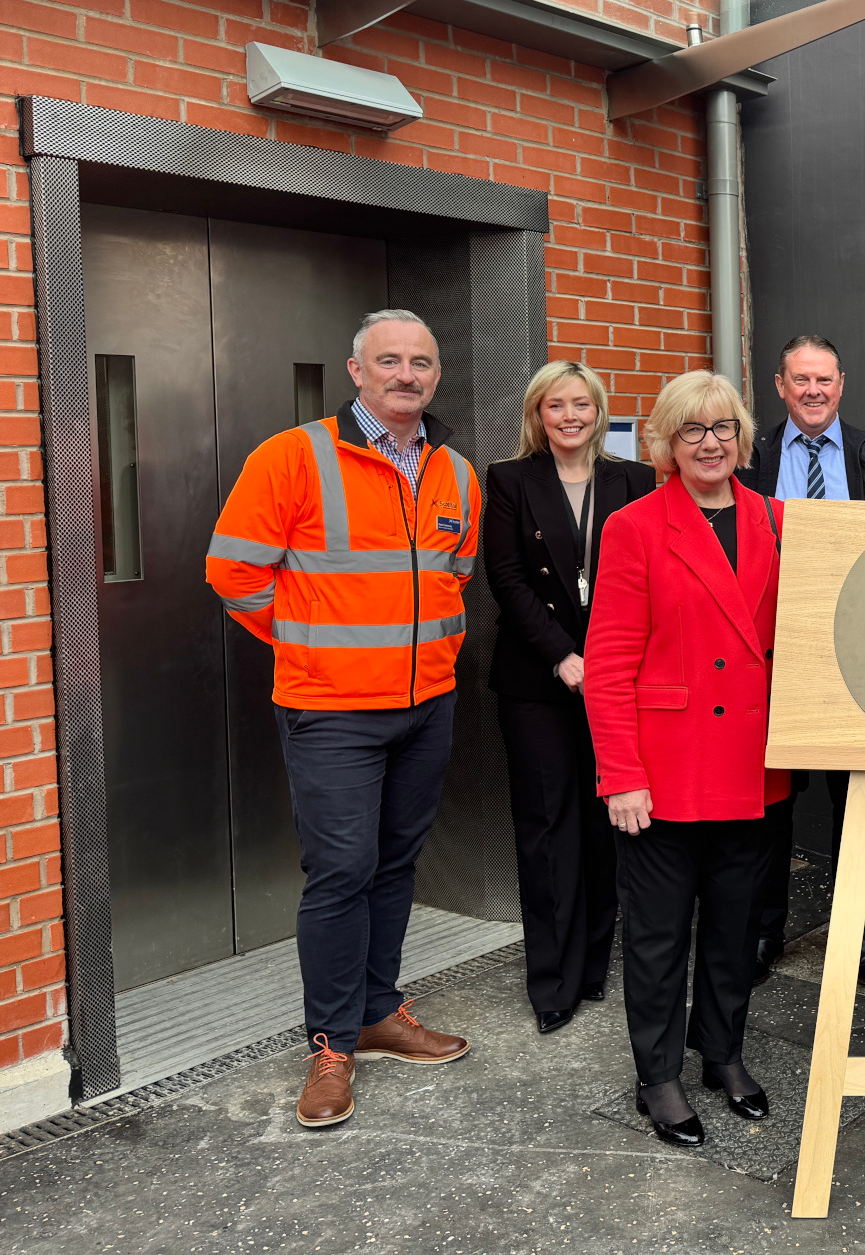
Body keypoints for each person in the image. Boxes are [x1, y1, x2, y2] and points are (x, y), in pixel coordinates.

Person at [206, 309, 479, 1130]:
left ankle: (377, 1011)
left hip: (426, 705)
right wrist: (316, 647)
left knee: (397, 865)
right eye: (389, 360)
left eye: (421, 362)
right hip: (331, 712)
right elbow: (233, 573)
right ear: (355, 371)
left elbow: (452, 577)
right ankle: (331, 1046)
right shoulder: (293, 456)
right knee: (341, 873)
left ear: (436, 375)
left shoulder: (456, 473)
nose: (407, 374)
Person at [584, 369, 790, 1149]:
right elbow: (607, 663)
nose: (711, 443)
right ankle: (659, 1075)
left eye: (724, 428)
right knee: (659, 934)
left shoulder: (774, 519)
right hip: (664, 769)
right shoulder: (635, 525)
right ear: (667, 445)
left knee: (737, 929)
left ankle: (722, 1052)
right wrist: (621, 776)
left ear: (742, 438)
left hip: (752, 759)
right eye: (693, 430)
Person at [484, 361, 656, 1035]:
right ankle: (551, 981)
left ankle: (591, 969)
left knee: (603, 827)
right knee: (548, 828)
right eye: (555, 406)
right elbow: (505, 577)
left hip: (617, 680)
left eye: (581, 404)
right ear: (538, 415)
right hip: (538, 682)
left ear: (599, 410)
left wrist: (606, 663)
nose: (569, 416)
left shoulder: (635, 479)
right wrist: (561, 654)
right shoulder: (509, 480)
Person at [742, 334, 865, 989]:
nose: (814, 392)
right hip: (771, 654)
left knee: (861, 801)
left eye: (825, 380)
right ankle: (763, 931)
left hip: (855, 657)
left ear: (842, 384)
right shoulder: (751, 457)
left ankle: (862, 934)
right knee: (768, 804)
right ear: (780, 387)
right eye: (800, 380)